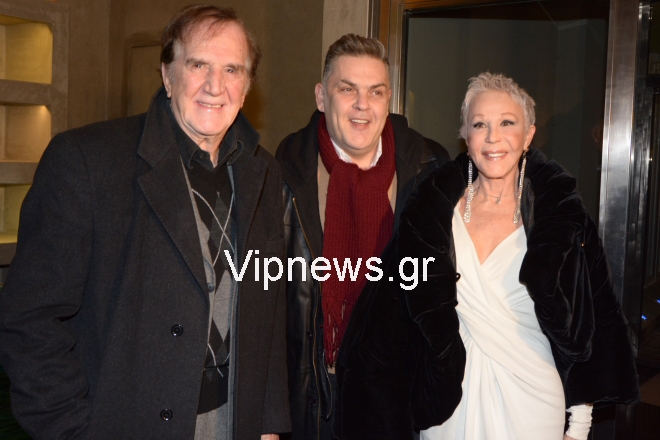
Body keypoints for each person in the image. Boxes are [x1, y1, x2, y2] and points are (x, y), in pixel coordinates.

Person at [0, 6, 289, 440]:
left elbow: (269, 308)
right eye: (198, 65)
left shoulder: (264, 171)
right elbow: (30, 321)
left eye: (232, 69)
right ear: (168, 75)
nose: (215, 85)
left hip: (233, 422)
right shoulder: (88, 161)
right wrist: (74, 431)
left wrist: (267, 423)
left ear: (247, 87)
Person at [395, 72, 638, 440]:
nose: (493, 137)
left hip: (532, 399)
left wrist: (579, 425)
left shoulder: (558, 215)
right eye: (480, 124)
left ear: (528, 135)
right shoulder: (431, 214)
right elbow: (402, 310)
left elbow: (589, 317)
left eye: (507, 123)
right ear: (465, 135)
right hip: (449, 401)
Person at [276, 34, 452, 440]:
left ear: (388, 99)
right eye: (347, 89)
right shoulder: (283, 172)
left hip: (398, 396)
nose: (362, 105)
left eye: (375, 91)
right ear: (321, 97)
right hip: (313, 396)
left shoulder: (429, 168)